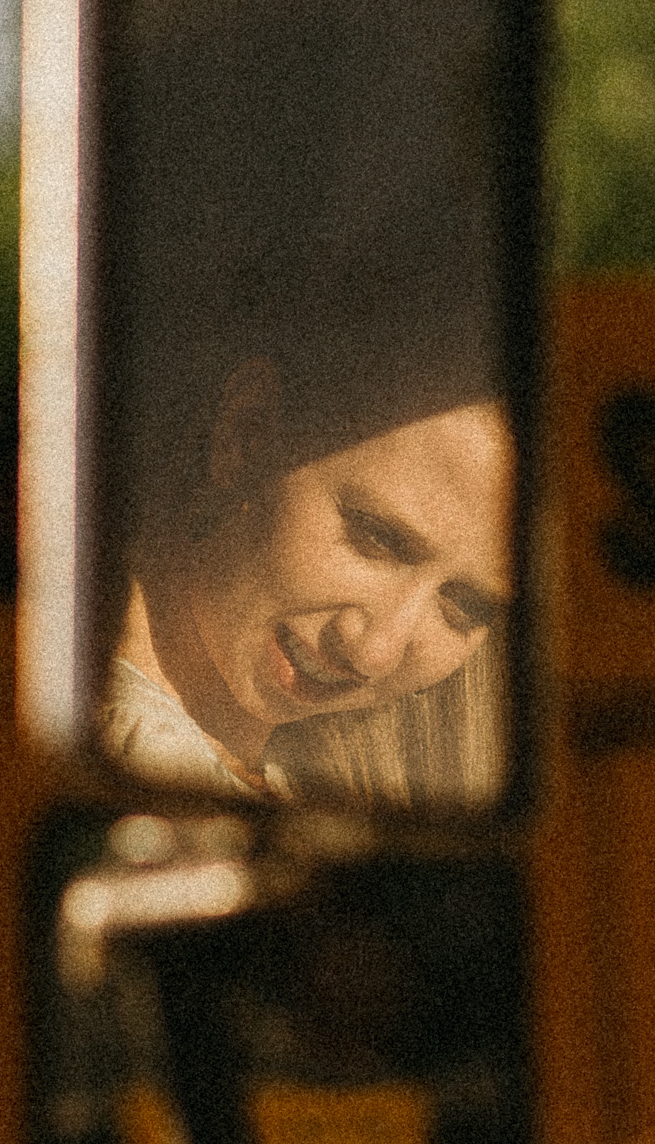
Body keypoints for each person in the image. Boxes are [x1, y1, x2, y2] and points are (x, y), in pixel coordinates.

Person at [99, 262, 517, 809]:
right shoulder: (108, 763)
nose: (375, 652)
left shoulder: (341, 783)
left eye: (465, 606)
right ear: (245, 437)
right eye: (378, 539)